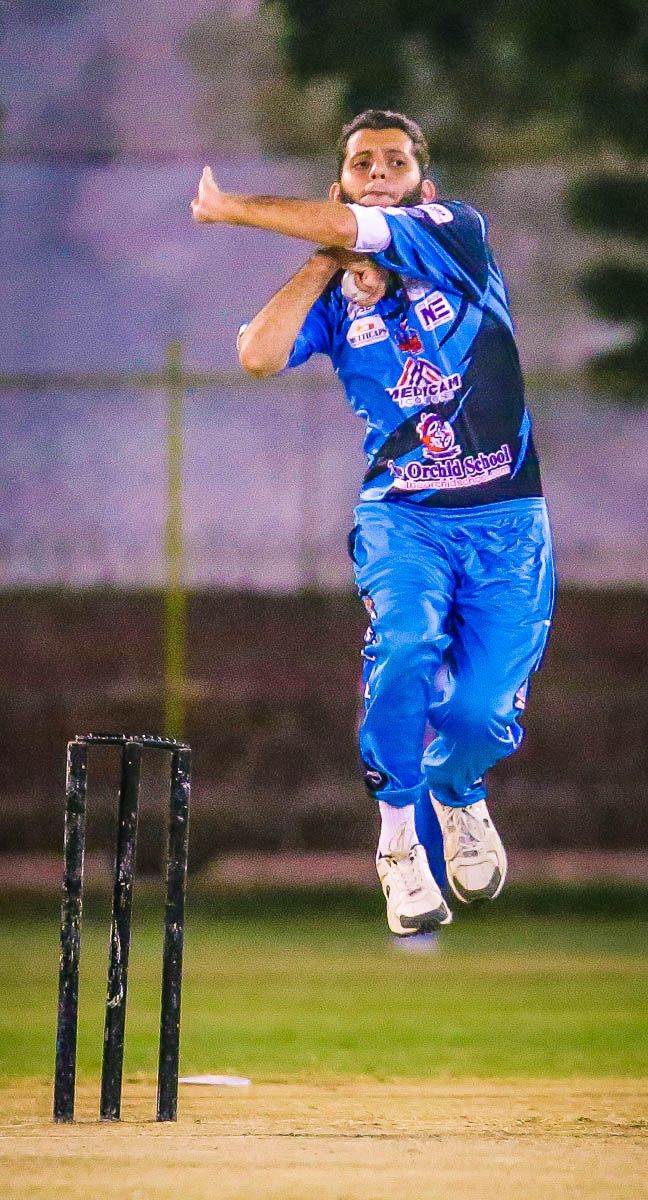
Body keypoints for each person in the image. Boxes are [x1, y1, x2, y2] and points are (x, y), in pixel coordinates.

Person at [191, 109, 555, 937]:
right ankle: (397, 839)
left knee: (480, 714)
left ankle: (457, 792)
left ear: (425, 188)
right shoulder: (335, 292)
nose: (379, 173)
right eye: (363, 164)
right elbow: (258, 354)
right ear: (340, 185)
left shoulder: (457, 236)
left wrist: (236, 208)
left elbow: (372, 229)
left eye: (395, 162)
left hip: (507, 522)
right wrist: (325, 257)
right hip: (404, 521)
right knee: (406, 648)